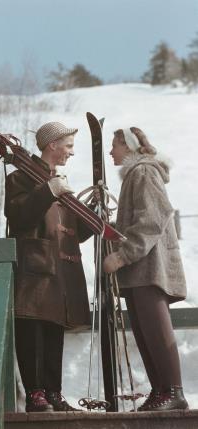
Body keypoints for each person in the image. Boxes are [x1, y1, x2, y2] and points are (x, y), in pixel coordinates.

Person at [4, 121, 92, 412]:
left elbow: (74, 232)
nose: (71, 152)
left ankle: (54, 393)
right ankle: (35, 394)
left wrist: (95, 215)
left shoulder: (60, 182)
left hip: (59, 269)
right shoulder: (20, 178)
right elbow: (19, 218)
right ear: (52, 145)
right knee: (31, 332)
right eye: (68, 145)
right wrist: (48, 191)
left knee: (54, 331)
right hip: (34, 268)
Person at [103, 127, 188, 411]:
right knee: (144, 330)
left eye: (114, 145)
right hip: (142, 267)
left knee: (154, 328)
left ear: (127, 146)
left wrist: (122, 256)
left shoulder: (142, 172)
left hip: (150, 266)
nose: (110, 151)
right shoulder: (135, 174)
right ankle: (161, 391)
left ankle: (174, 392)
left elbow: (154, 219)